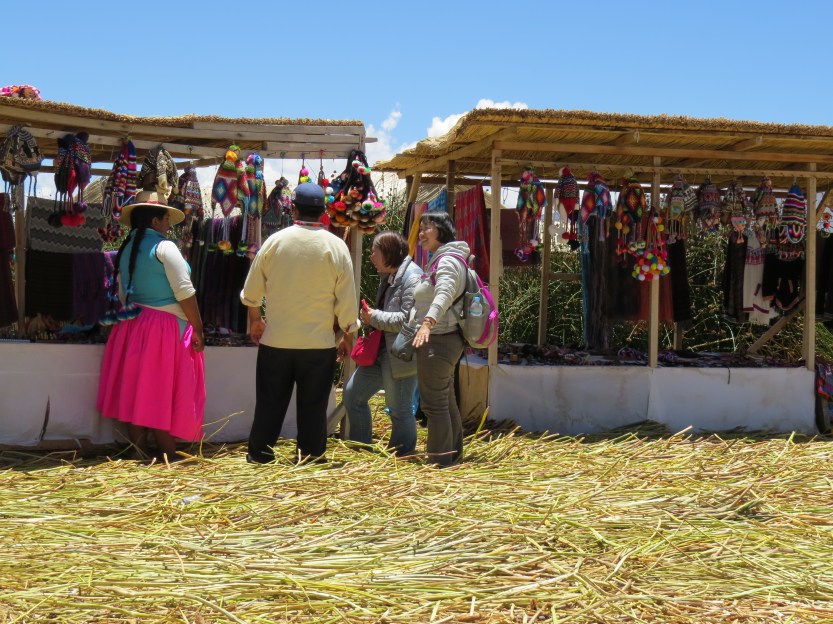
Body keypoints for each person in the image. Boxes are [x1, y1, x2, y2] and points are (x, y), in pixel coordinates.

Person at [240, 182, 358, 464]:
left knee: (270, 403)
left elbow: (251, 292)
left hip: (276, 342)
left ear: (293, 209)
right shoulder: (336, 247)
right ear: (323, 211)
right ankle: (311, 457)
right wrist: (348, 336)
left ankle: (259, 456)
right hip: (318, 346)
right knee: (314, 406)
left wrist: (256, 321)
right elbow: (346, 301)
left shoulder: (275, 242)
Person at [97, 190, 206, 461]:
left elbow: (122, 292)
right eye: (166, 219)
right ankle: (167, 453)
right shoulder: (165, 248)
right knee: (159, 389)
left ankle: (139, 451)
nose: (168, 225)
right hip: (162, 328)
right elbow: (185, 292)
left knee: (137, 388)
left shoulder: (126, 249)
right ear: (155, 221)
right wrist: (198, 327)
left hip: (132, 324)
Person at [341, 231, 421, 455]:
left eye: (374, 252)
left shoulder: (412, 277)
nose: (371, 257)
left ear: (388, 253)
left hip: (400, 354)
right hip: (380, 351)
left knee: (399, 409)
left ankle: (401, 456)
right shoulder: (389, 275)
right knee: (352, 396)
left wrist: (373, 317)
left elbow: (409, 320)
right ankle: (362, 448)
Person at [411, 212, 470, 466]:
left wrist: (427, 322)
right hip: (445, 338)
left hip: (438, 339)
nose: (421, 233)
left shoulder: (446, 261)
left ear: (442, 230)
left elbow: (444, 293)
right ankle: (452, 456)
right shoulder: (446, 258)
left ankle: (438, 462)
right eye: (421, 227)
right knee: (446, 402)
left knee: (434, 406)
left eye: (427, 227)